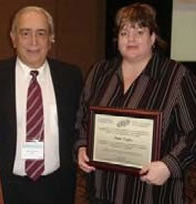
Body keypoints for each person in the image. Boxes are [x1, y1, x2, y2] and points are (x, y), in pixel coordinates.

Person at [75, 3, 196, 204]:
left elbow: (193, 132)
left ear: (153, 37)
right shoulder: (99, 73)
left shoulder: (177, 76)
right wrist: (81, 147)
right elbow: (82, 119)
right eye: (124, 33)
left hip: (153, 193)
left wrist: (169, 165)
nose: (130, 39)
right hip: (103, 191)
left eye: (139, 31)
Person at [0, 6, 83, 204]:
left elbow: (81, 125)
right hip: (8, 186)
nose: (33, 42)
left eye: (41, 33)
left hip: (58, 186)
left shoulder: (71, 77)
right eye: (25, 33)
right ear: (13, 38)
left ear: (51, 38)